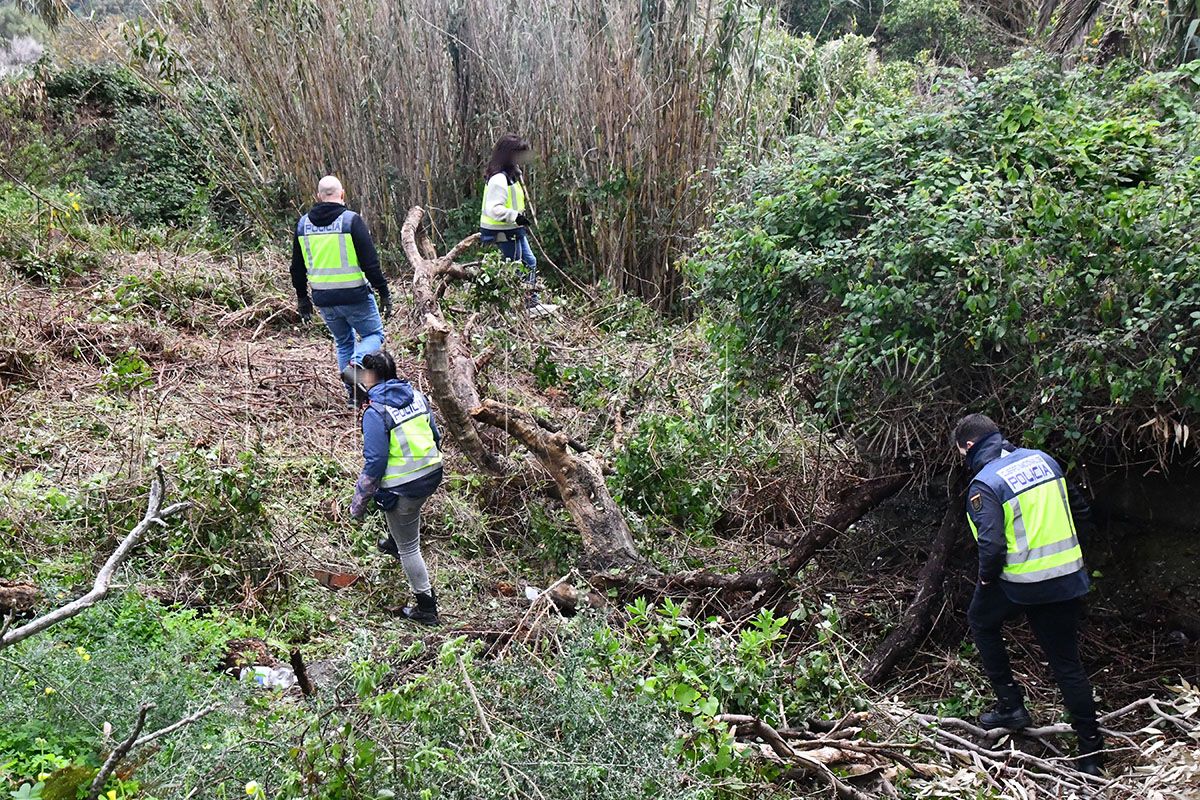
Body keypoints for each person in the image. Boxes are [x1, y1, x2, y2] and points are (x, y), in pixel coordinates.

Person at [954, 413, 1104, 776]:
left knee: (980, 619)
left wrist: (987, 580)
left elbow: (991, 546)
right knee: (1067, 665)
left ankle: (1011, 705)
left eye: (961, 453)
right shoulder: (1044, 460)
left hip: (1021, 584)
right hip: (1067, 578)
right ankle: (1092, 753)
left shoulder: (985, 484)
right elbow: (1082, 511)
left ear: (970, 447)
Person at [349, 350, 444, 626]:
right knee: (397, 509)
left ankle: (426, 607)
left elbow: (375, 463)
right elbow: (435, 435)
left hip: (406, 485)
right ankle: (395, 538)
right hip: (432, 473)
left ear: (369, 377)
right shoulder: (415, 395)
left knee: (409, 548)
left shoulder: (375, 412)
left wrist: (358, 505)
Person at [291, 175, 393, 405]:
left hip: (323, 298)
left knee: (344, 343)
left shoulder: (303, 225)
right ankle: (356, 367)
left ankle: (354, 397)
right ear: (342, 194)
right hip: (354, 295)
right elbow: (370, 263)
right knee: (373, 335)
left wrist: (302, 297)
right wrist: (384, 291)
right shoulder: (351, 221)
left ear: (318, 196)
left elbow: (296, 267)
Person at [479, 134, 556, 317]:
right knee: (516, 266)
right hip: (500, 230)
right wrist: (515, 216)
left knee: (529, 261)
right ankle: (516, 307)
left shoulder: (510, 175)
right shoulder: (499, 179)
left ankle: (529, 304)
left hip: (512, 228)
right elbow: (493, 209)